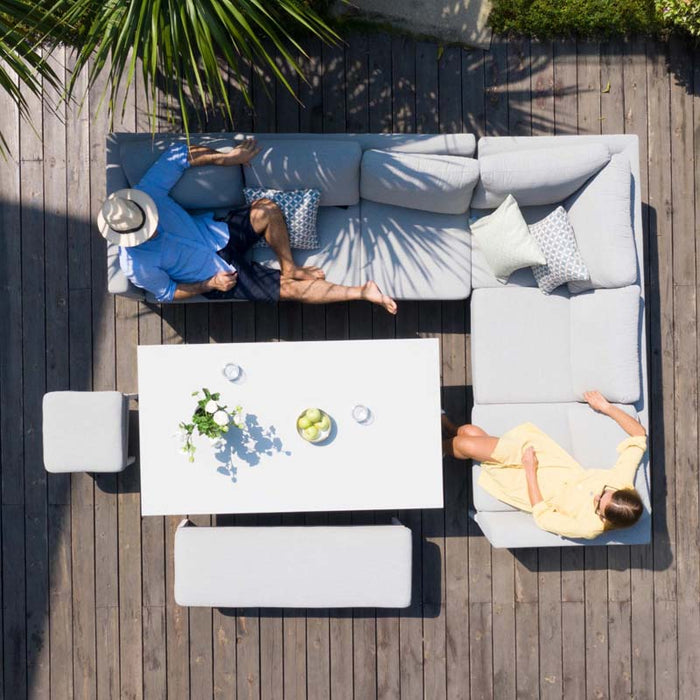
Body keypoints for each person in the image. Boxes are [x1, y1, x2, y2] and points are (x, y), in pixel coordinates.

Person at [98, 139, 397, 313]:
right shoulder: (136, 265)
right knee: (291, 291)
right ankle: (362, 292)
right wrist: (208, 285)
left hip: (218, 234)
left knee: (266, 209)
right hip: (218, 276)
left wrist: (228, 159)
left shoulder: (147, 191)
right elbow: (166, 292)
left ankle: (289, 265)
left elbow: (179, 153)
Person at [442, 391, 647, 539]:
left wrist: (530, 470)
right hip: (546, 459)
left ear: (604, 519)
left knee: (467, 437)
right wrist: (606, 407)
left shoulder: (589, 527)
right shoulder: (622, 481)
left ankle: (439, 440)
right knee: (467, 437)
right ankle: (447, 433)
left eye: (597, 506)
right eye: (604, 492)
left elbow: (543, 517)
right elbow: (639, 436)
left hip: (528, 486)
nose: (597, 496)